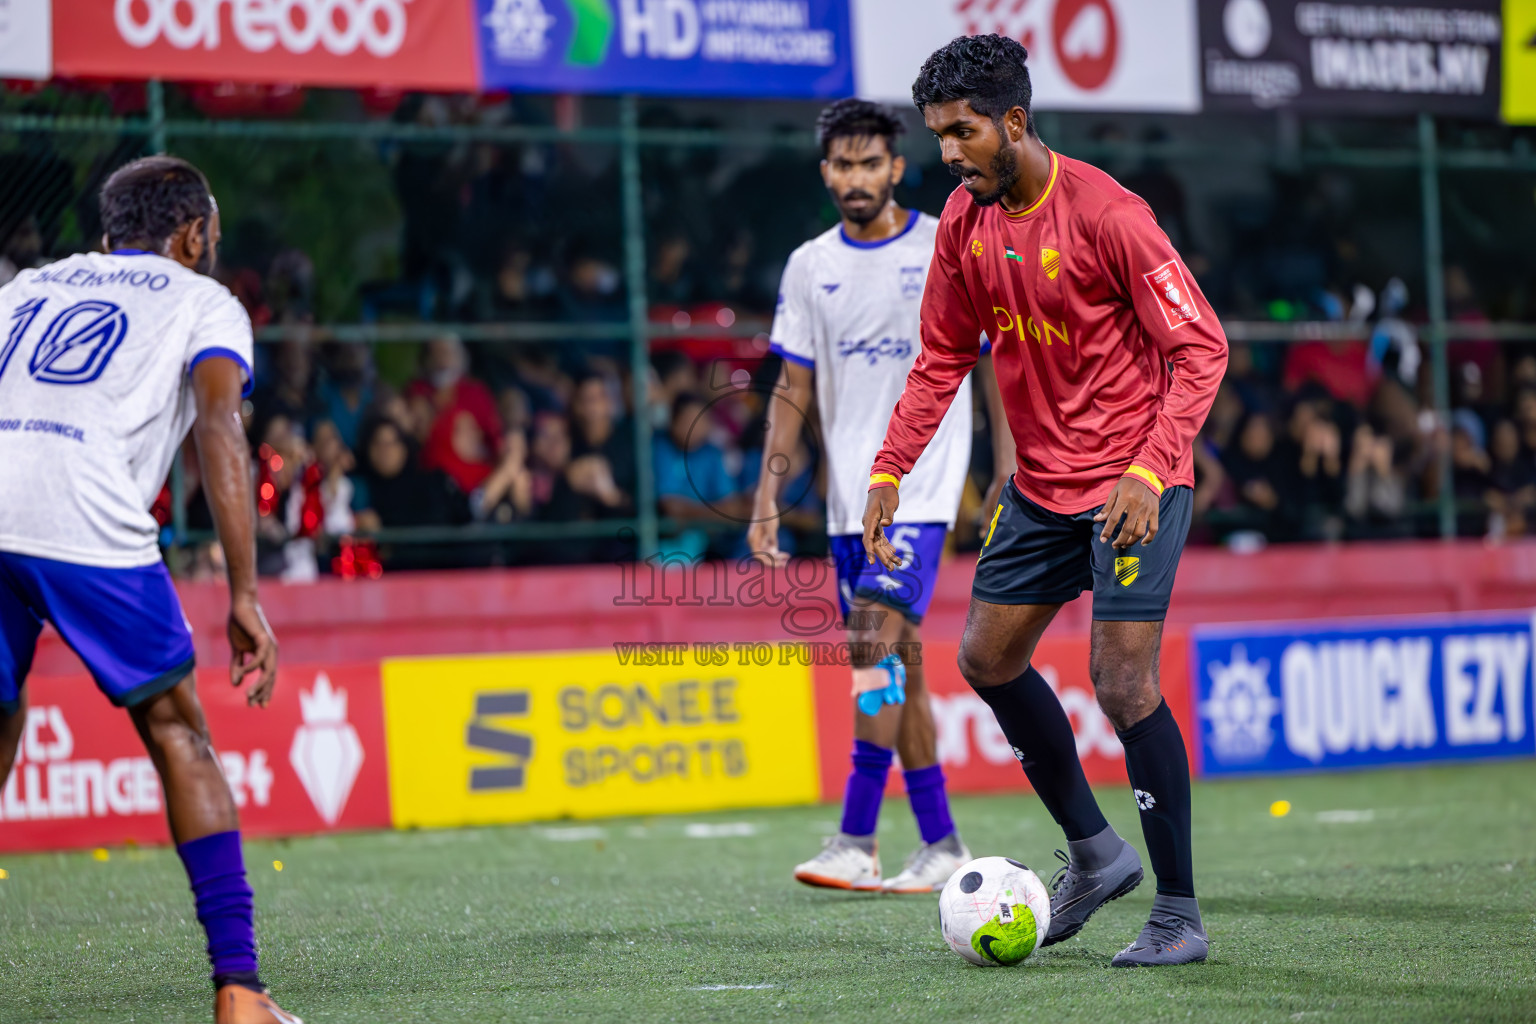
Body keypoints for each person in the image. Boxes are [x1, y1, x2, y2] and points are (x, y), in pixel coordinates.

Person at [863, 37, 1226, 964]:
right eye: (937, 133)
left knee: (1121, 681)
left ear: (1013, 123)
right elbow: (942, 357)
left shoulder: (1111, 214)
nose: (947, 151)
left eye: (961, 132)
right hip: (1041, 488)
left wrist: (1152, 467)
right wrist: (890, 470)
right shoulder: (961, 223)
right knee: (985, 659)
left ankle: (1179, 914)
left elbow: (1202, 348)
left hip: (1134, 484)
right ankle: (1096, 854)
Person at [0, 157, 299, 1021]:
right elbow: (219, 428)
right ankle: (240, 990)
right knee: (180, 736)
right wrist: (245, 592)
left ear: (106, 232)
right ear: (196, 233)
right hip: (86, 516)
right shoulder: (205, 301)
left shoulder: (32, 285)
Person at [750, 98, 1012, 894]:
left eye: (871, 163)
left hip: (922, 490)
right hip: (844, 508)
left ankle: (857, 835)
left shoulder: (945, 243)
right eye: (842, 164)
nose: (856, 178)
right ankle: (941, 845)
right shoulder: (808, 266)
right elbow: (792, 390)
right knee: (897, 666)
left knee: (870, 644)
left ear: (897, 167)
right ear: (825, 170)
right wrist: (767, 496)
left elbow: (995, 360)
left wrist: (1006, 465)